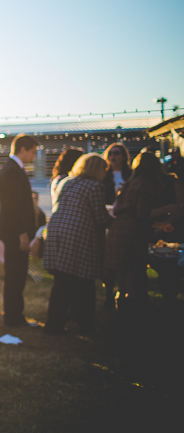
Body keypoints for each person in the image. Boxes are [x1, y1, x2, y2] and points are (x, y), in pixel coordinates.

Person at [106, 151, 182, 325]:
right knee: (133, 277)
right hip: (132, 235)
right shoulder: (147, 184)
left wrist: (160, 225)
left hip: (118, 231)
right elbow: (143, 214)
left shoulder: (130, 183)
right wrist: (167, 208)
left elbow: (126, 211)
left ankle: (121, 318)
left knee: (122, 280)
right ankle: (134, 321)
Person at [42, 154, 114, 335]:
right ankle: (86, 325)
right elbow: (99, 217)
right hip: (77, 235)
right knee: (84, 282)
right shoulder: (96, 186)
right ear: (98, 169)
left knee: (61, 282)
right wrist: (115, 220)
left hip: (57, 231)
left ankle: (54, 324)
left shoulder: (67, 181)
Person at [0, 134, 40, 327]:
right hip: (15, 234)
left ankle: (15, 315)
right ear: (23, 149)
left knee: (17, 276)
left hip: (14, 232)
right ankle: (13, 318)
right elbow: (13, 206)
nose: (34, 157)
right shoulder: (12, 170)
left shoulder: (12, 168)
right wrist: (22, 234)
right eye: (33, 152)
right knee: (15, 277)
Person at [100, 143, 132, 308]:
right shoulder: (104, 176)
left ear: (123, 156)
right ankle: (108, 293)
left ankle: (123, 291)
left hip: (125, 222)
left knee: (122, 259)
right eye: (110, 153)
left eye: (117, 153)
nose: (113, 156)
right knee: (109, 259)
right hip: (108, 221)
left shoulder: (130, 175)